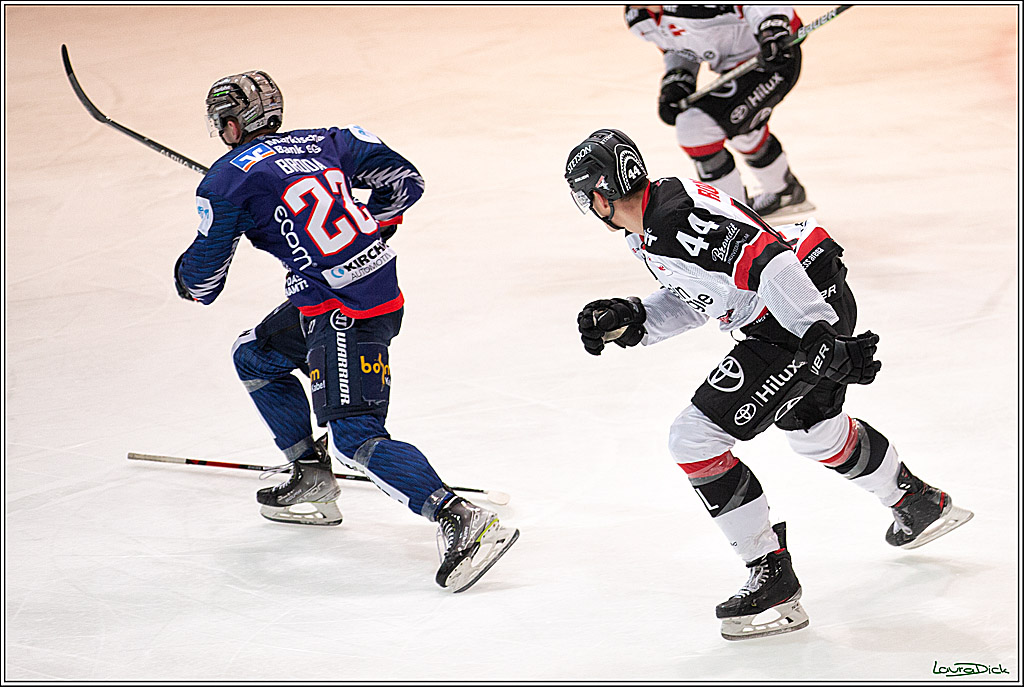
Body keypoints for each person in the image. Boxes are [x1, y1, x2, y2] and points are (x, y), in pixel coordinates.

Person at [564, 129, 973, 640]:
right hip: (803, 298)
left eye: (585, 197)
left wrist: (817, 334)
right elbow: (710, 291)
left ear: (600, 194)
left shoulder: (671, 221)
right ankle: (915, 501)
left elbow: (766, 259)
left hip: (792, 313)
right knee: (815, 433)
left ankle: (771, 575)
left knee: (694, 439)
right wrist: (636, 318)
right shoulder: (651, 223)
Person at [174, 71, 518, 592]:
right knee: (255, 355)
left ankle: (463, 518)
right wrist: (367, 226)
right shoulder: (327, 140)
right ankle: (311, 477)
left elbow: (202, 284)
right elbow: (406, 181)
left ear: (230, 125)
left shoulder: (227, 180)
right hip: (358, 292)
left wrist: (198, 254)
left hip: (343, 311)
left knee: (355, 433)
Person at [625, 5, 814, 220]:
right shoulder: (638, 17)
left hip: (774, 59)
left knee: (696, 129)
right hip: (737, 69)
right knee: (740, 129)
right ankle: (785, 192)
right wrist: (678, 79)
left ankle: (735, 221)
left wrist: (772, 26)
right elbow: (679, 46)